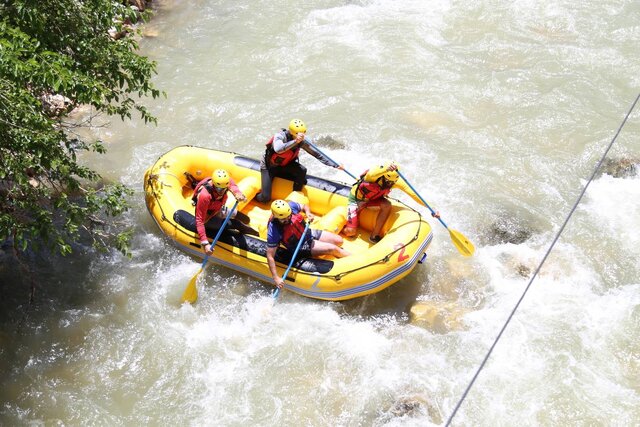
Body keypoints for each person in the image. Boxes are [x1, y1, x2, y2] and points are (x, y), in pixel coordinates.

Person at [343, 162, 440, 243]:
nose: (389, 184)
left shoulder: (395, 181)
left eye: (391, 183)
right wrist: (386, 169)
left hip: (373, 200)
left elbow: (414, 194)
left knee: (387, 205)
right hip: (356, 200)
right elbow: (372, 173)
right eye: (387, 181)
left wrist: (431, 208)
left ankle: (374, 236)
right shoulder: (373, 177)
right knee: (350, 232)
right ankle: (344, 223)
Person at [255, 119, 344, 203]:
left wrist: (335, 165)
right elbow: (278, 149)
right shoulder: (280, 136)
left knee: (302, 170)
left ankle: (295, 198)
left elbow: (317, 154)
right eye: (298, 134)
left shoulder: (302, 141)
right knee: (265, 198)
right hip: (269, 166)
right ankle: (257, 197)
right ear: (291, 132)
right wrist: (295, 141)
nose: (301, 136)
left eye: (303, 133)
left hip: (286, 165)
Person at [266, 199, 350, 289]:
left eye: (288, 216)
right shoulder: (274, 230)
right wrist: (276, 278)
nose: (287, 219)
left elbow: (304, 206)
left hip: (307, 233)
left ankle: (340, 254)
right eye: (283, 219)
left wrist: (308, 213)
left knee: (339, 240)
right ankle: (353, 259)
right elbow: (270, 255)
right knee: (333, 249)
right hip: (300, 245)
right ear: (276, 217)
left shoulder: (290, 206)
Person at [193, 169, 248, 255]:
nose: (221, 191)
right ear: (214, 185)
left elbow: (233, 186)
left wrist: (238, 193)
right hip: (207, 217)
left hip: (217, 208)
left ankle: (253, 231)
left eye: (224, 188)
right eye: (218, 189)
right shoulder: (205, 196)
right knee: (235, 224)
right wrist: (205, 243)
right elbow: (199, 221)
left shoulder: (224, 182)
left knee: (242, 217)